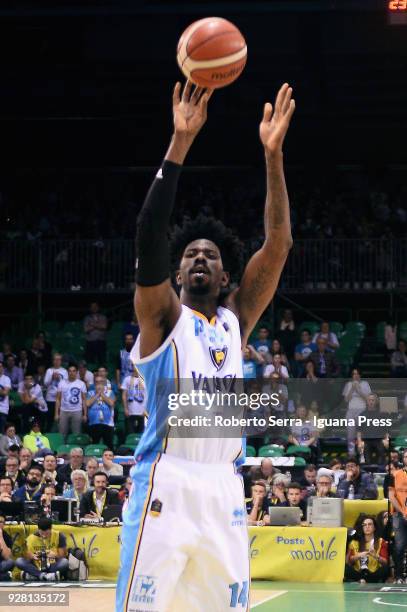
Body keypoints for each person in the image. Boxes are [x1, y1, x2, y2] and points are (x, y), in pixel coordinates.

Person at [116, 79, 295, 612]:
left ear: (224, 274)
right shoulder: (163, 317)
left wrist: (273, 155)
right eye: (190, 252)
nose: (199, 257)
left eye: (211, 255)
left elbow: (279, 244)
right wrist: (180, 142)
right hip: (165, 482)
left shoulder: (235, 320)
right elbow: (149, 229)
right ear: (177, 271)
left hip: (223, 492)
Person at [15, 517, 68, 581]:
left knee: (64, 562)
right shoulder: (30, 538)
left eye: (47, 533)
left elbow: (62, 556)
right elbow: (26, 556)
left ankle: (34, 576)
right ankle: (45, 576)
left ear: (51, 528)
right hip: (36, 566)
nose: (44, 536)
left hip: (52, 565)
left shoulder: (59, 535)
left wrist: (55, 555)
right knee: (19, 561)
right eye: (42, 533)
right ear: (38, 529)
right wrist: (32, 556)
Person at [345, 515, 389, 583]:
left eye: (370, 524)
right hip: (358, 572)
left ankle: (363, 580)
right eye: (364, 525)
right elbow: (348, 562)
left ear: (374, 528)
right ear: (362, 528)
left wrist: (375, 556)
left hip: (373, 573)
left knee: (386, 569)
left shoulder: (381, 541)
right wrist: (358, 556)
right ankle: (363, 579)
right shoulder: (354, 542)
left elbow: (385, 562)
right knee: (345, 569)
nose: (367, 527)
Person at [388, 449, 407, 583]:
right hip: (399, 515)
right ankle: (399, 576)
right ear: (403, 459)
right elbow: (391, 496)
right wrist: (403, 511)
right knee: (400, 546)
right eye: (406, 456)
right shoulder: (394, 475)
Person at [343, 369, 372, 455]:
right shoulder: (348, 384)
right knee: (351, 434)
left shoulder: (365, 384)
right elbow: (346, 399)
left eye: (357, 374)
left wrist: (358, 390)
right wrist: (352, 388)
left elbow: (368, 399)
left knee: (361, 434)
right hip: (351, 411)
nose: (355, 375)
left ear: (360, 375)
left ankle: (362, 453)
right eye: (354, 374)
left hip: (362, 411)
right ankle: (351, 453)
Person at [55, 364, 87, 440]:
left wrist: (85, 414)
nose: (71, 373)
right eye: (70, 371)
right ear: (67, 372)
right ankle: (62, 450)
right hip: (63, 411)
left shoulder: (81, 384)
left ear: (76, 372)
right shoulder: (61, 383)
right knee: (62, 434)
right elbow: (58, 399)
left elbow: (84, 400)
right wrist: (56, 413)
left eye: (73, 371)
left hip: (77, 411)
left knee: (76, 434)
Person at [86, 375, 115, 447]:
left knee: (108, 445)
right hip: (94, 423)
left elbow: (111, 403)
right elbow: (88, 404)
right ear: (94, 384)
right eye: (97, 382)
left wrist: (102, 394)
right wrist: (97, 394)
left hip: (107, 424)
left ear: (104, 383)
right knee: (94, 444)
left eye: (101, 382)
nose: (99, 384)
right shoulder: (90, 393)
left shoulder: (110, 392)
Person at [44, 353, 68, 432]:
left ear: (61, 361)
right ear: (53, 361)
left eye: (59, 359)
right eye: (55, 359)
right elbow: (45, 384)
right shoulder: (49, 370)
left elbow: (67, 385)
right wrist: (52, 377)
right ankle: (48, 436)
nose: (57, 361)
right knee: (49, 419)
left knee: (61, 420)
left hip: (61, 399)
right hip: (50, 399)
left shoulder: (64, 371)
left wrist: (59, 379)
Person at [121, 365, 147, 434]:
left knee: (141, 434)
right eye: (135, 366)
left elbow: (148, 396)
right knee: (130, 433)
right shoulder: (127, 379)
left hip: (142, 412)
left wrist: (146, 410)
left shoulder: (145, 379)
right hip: (130, 411)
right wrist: (125, 408)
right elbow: (124, 395)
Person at [0, 514, 14, 580]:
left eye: (0, 522)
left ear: (4, 524)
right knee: (5, 576)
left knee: (10, 562)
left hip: (1, 563)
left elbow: (7, 556)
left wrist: (0, 537)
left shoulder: (6, 536)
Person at [0, 362, 11, 433]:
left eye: (0, 366)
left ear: (3, 368)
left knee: (1, 431)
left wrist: (3, 391)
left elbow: (5, 393)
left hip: (3, 409)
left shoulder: (6, 379)